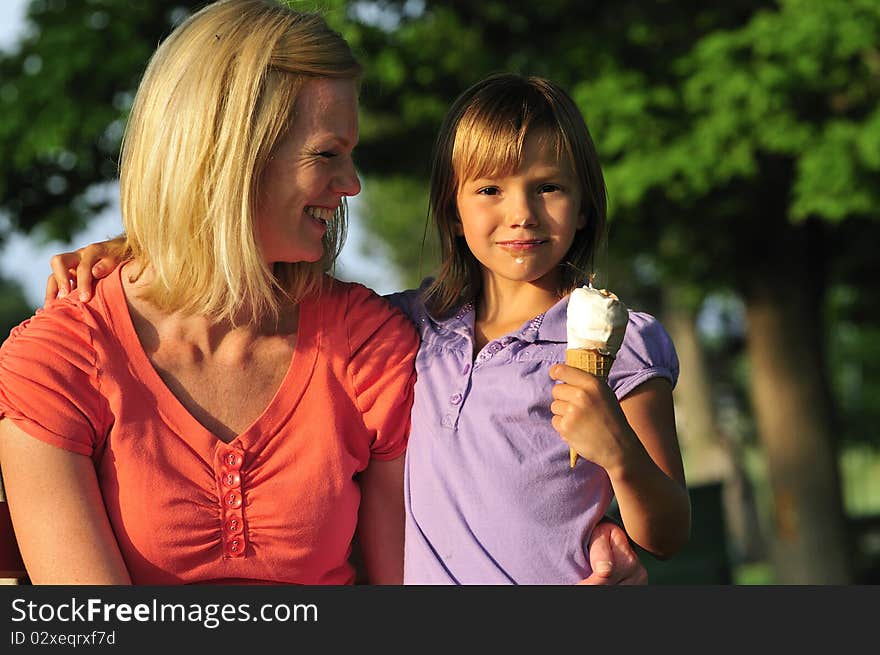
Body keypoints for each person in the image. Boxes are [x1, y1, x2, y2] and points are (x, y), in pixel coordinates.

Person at [5, 1, 646, 585]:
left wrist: (575, 553)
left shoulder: (368, 342)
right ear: (231, 159)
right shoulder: (56, 364)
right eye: (328, 153)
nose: (352, 184)